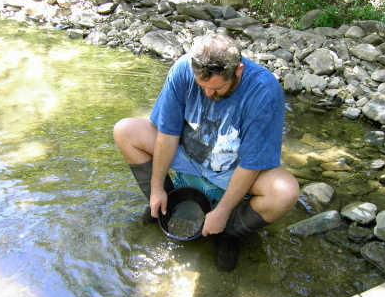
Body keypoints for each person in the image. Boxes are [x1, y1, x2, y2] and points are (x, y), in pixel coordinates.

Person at [113, 33, 299, 271]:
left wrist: (222, 212)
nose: (208, 95)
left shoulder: (263, 90)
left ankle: (229, 233)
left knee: (285, 192)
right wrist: (157, 187)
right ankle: (165, 206)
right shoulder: (183, 69)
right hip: (188, 153)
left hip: (233, 167)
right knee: (124, 131)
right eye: (202, 87)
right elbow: (168, 133)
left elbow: (251, 164)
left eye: (217, 88)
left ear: (238, 71)